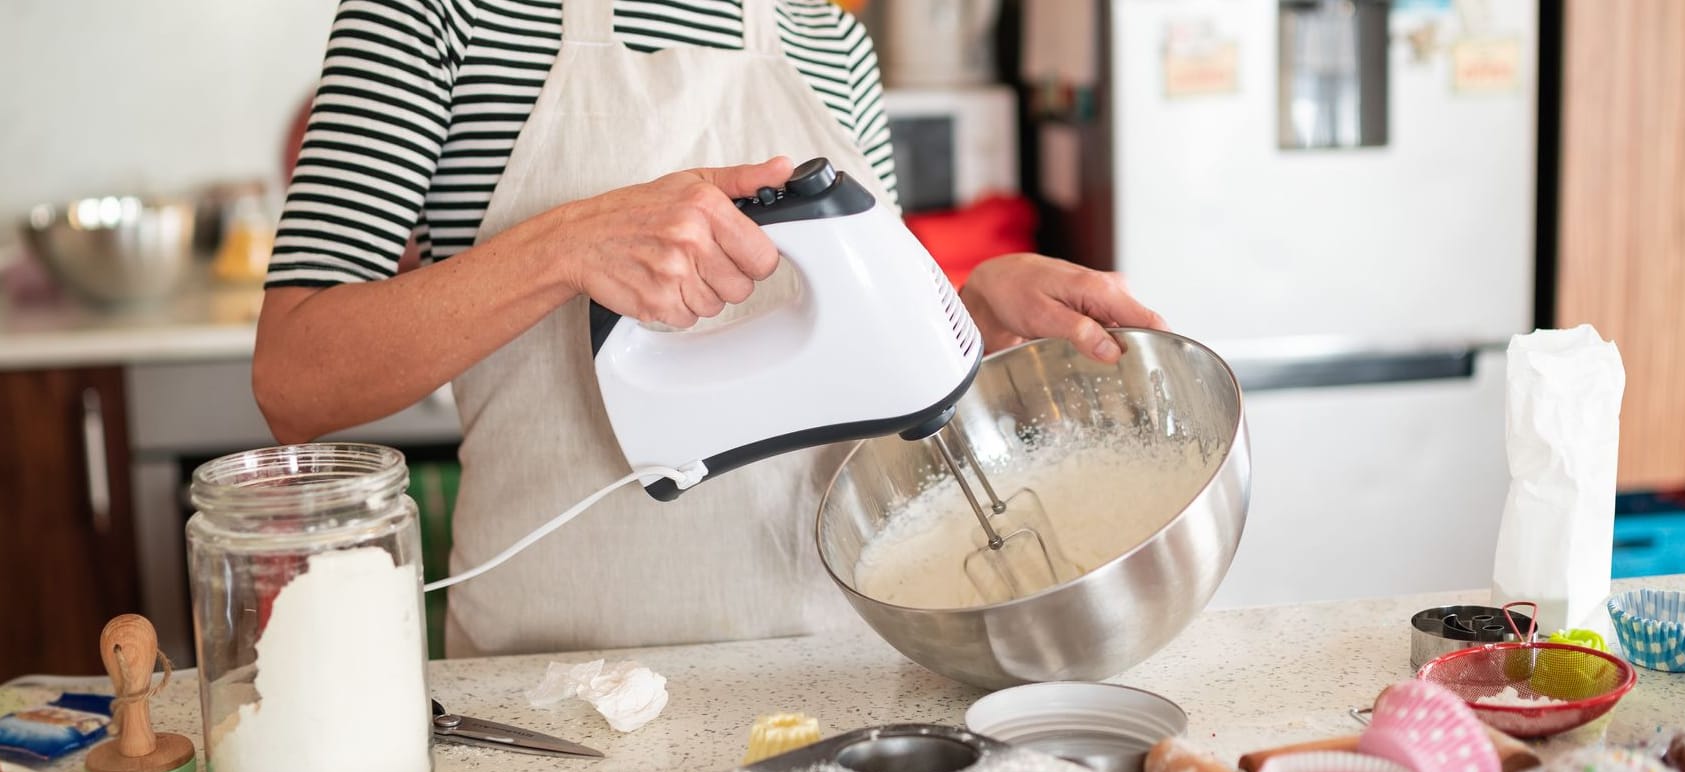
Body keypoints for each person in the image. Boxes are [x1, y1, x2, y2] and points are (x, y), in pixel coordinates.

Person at [255, 0, 1165, 657]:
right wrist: (566, 245)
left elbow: (859, 363)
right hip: (556, 690)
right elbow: (295, 379)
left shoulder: (832, 41)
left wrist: (967, 311)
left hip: (839, 662)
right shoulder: (429, 19)